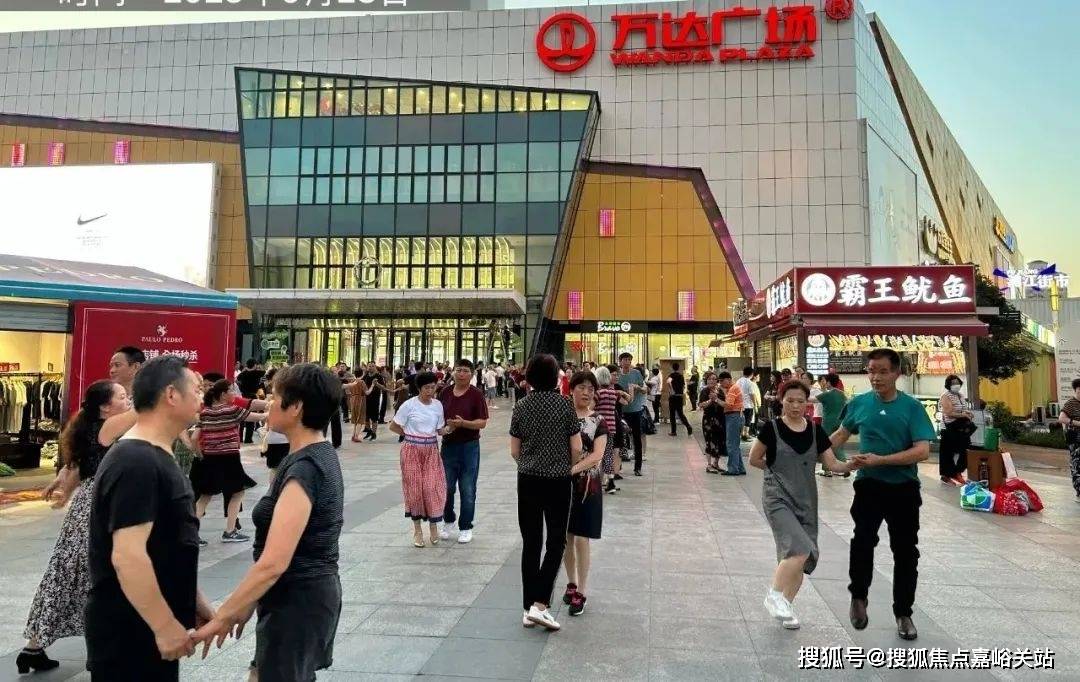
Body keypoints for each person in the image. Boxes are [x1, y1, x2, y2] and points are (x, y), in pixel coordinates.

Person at [193, 363, 345, 682]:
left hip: (298, 602)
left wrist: (224, 615)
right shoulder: (311, 456)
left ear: (296, 407)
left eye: (275, 396)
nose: (269, 403)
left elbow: (274, 562)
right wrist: (250, 600)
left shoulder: (306, 468)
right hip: (294, 597)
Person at [84, 355, 215, 680]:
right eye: (196, 389)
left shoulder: (154, 454)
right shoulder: (137, 462)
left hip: (145, 630)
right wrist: (164, 625)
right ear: (171, 395)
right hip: (130, 636)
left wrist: (192, 601)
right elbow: (128, 556)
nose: (202, 396)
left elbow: (166, 546)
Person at [16, 380, 129, 674]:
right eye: (121, 397)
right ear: (105, 407)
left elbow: (80, 465)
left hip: (87, 507)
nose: (127, 400)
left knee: (66, 576)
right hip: (99, 506)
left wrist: (63, 486)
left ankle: (33, 647)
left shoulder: (90, 427)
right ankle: (99, 651)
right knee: (93, 578)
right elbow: (144, 411)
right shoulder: (108, 427)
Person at [830, 348, 935, 641]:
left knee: (905, 551)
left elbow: (922, 451)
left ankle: (903, 613)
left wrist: (882, 460)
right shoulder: (859, 403)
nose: (876, 377)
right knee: (863, 540)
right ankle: (858, 597)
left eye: (883, 372)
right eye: (871, 371)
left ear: (897, 373)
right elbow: (839, 436)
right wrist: (807, 451)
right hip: (869, 486)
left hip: (903, 489)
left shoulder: (912, 407)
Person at [749, 381, 852, 630]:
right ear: (781, 401)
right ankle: (774, 595)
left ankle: (786, 604)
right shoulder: (771, 428)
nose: (795, 406)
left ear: (808, 403)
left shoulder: (816, 431)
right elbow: (754, 459)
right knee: (800, 548)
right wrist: (777, 473)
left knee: (801, 557)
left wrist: (853, 464)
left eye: (800, 401)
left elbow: (831, 464)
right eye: (790, 400)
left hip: (806, 500)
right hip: (777, 498)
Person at [510, 354, 583, 631]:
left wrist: (530, 463)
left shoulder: (521, 406)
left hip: (528, 479)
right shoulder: (565, 405)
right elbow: (576, 447)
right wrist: (567, 466)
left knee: (531, 543)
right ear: (556, 377)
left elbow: (514, 450)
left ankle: (527, 608)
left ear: (529, 376)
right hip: (558, 481)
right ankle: (540, 604)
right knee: (556, 542)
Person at [190, 379, 267, 544]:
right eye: (231, 390)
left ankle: (190, 533)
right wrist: (272, 411)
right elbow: (257, 417)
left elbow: (195, 438)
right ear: (223, 394)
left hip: (209, 458)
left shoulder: (205, 412)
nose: (234, 393)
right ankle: (230, 531)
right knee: (237, 492)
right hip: (229, 458)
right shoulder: (232, 410)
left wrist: (200, 454)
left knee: (205, 496)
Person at [561, 371, 608, 617]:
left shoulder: (598, 421)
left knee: (581, 537)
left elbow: (597, 455)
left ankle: (582, 589)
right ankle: (571, 582)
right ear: (571, 390)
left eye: (591, 388)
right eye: (581, 387)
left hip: (588, 486)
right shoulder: (562, 417)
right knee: (566, 537)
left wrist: (571, 470)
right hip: (562, 485)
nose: (586, 392)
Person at [389, 371, 448, 547]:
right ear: (419, 388)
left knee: (431, 488)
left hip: (431, 450)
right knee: (414, 490)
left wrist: (450, 428)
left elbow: (439, 430)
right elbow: (394, 426)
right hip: (411, 450)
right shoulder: (409, 405)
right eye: (426, 388)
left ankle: (433, 526)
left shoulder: (438, 405)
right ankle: (417, 530)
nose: (430, 391)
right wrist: (409, 435)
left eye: (433, 387)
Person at [438, 359, 489, 544]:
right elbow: (438, 419)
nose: (461, 374)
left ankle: (466, 526)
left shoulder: (476, 394)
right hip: (448, 446)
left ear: (472, 374)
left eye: (466, 371)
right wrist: (445, 429)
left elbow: (482, 422)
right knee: (446, 487)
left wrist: (463, 424)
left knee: (467, 488)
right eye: (458, 370)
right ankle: (448, 520)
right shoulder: (445, 392)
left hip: (469, 447)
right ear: (453, 372)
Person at [594, 366, 626, 493]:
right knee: (608, 454)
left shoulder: (598, 393)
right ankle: (610, 481)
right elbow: (626, 401)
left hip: (599, 428)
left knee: (597, 454)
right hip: (611, 428)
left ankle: (597, 481)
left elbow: (591, 407)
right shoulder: (613, 393)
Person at [937, 374, 974, 486]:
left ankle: (957, 471)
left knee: (966, 449)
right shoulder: (945, 396)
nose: (956, 385)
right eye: (953, 383)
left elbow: (963, 409)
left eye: (957, 383)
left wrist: (967, 413)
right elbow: (949, 412)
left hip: (961, 427)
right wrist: (963, 415)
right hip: (949, 427)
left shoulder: (961, 395)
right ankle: (946, 476)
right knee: (947, 452)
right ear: (948, 385)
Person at [615, 353, 648, 476]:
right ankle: (617, 467)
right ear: (620, 361)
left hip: (635, 410)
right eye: (625, 360)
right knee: (619, 439)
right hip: (620, 411)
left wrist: (637, 388)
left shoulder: (636, 373)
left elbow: (645, 389)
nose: (627, 362)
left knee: (636, 438)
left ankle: (638, 467)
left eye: (629, 360)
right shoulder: (617, 375)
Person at [815, 374, 849, 477]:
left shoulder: (827, 394)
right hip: (840, 422)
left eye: (825, 381)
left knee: (826, 445)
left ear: (829, 382)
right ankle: (834, 468)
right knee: (838, 444)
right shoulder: (842, 394)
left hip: (828, 423)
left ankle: (830, 470)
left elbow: (811, 400)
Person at [698, 373, 727, 474]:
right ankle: (709, 465)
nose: (712, 381)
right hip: (708, 420)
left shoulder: (720, 391)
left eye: (714, 379)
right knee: (709, 441)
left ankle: (716, 463)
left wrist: (716, 399)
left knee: (720, 440)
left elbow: (725, 404)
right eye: (710, 379)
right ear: (706, 380)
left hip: (720, 419)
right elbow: (701, 405)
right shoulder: (704, 391)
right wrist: (711, 400)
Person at [720, 371, 746, 476]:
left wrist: (716, 400)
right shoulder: (732, 388)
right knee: (735, 444)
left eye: (722, 381)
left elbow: (728, 405)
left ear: (729, 379)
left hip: (734, 416)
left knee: (731, 444)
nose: (721, 383)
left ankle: (733, 469)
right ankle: (740, 467)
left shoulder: (733, 389)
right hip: (736, 416)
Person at [1060, 378, 1080, 500]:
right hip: (1075, 438)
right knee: (1077, 464)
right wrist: (1077, 423)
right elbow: (1061, 418)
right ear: (1075, 390)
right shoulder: (1071, 403)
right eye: (1079, 391)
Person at [237, 359, 266, 444]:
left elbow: (238, 378)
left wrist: (245, 369)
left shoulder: (243, 373)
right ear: (254, 365)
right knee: (251, 418)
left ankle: (240, 438)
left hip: (243, 396)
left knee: (242, 417)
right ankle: (248, 439)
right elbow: (264, 372)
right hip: (252, 396)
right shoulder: (257, 373)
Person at [666, 362, 693, 437]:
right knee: (681, 414)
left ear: (672, 368)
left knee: (672, 414)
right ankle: (688, 426)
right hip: (680, 396)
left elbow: (668, 382)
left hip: (673, 397)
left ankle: (673, 431)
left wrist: (672, 390)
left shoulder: (671, 375)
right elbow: (684, 386)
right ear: (678, 368)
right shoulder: (681, 376)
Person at [361, 362, 385, 441]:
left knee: (374, 417)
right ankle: (369, 431)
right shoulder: (366, 376)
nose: (370, 367)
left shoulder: (378, 376)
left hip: (375, 399)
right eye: (369, 366)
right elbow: (360, 383)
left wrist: (376, 384)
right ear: (367, 367)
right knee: (366, 417)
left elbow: (383, 387)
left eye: (372, 366)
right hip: (365, 399)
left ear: (375, 367)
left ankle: (374, 434)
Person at [347, 369, 370, 443]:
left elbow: (348, 392)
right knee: (360, 419)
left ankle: (353, 435)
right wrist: (372, 386)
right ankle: (356, 436)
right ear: (362, 373)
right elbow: (367, 392)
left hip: (353, 399)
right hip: (361, 400)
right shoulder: (361, 382)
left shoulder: (352, 382)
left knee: (355, 419)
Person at [736, 366, 757, 440]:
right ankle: (745, 435)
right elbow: (752, 395)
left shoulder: (738, 381)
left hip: (740, 405)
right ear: (751, 374)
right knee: (748, 420)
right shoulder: (750, 383)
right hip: (748, 405)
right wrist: (755, 405)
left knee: (741, 420)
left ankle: (741, 434)